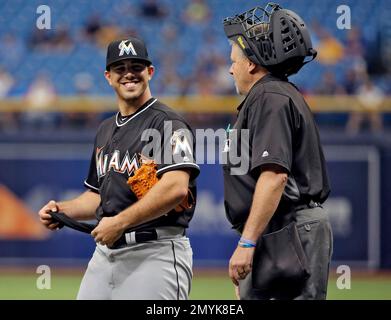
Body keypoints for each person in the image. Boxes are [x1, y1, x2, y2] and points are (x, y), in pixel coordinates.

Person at [38, 36, 200, 300]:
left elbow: (176, 188)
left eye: (136, 67)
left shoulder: (168, 122)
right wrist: (61, 210)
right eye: (120, 68)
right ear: (108, 76)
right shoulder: (105, 129)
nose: (128, 74)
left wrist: (120, 222)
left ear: (150, 72)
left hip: (155, 253)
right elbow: (97, 196)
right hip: (106, 254)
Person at [222, 3, 332, 300]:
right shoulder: (269, 95)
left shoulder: (270, 97)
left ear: (252, 64)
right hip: (277, 229)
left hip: (289, 227)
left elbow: (274, 177)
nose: (231, 68)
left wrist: (247, 244)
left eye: (233, 60)